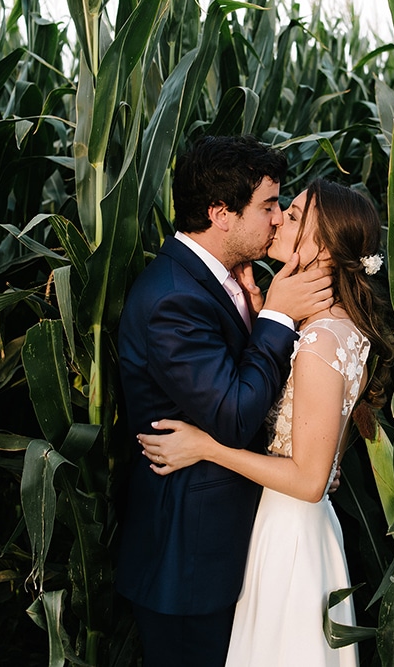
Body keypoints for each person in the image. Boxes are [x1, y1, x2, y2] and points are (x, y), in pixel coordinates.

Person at [140, 178, 394, 667]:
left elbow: (309, 480)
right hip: (284, 526)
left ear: (323, 248)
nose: (279, 218)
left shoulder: (321, 341)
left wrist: (207, 448)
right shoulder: (323, 327)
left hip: (290, 536)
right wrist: (265, 315)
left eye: (295, 215)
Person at [116, 135, 334, 667]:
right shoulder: (173, 297)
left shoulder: (220, 280)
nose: (278, 218)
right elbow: (235, 416)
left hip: (236, 544)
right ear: (220, 213)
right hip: (189, 560)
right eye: (267, 206)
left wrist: (264, 312)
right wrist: (278, 319)